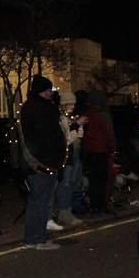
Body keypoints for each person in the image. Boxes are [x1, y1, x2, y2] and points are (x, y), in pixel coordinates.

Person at [20, 75, 67, 249]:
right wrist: (49, 161)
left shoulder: (30, 107)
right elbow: (47, 137)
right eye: (49, 90)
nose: (51, 93)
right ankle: (39, 238)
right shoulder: (41, 109)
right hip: (43, 163)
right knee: (41, 200)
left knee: (35, 200)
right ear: (43, 91)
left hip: (39, 162)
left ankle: (32, 238)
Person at [55, 91, 86, 227]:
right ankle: (64, 213)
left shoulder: (68, 117)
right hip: (66, 156)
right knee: (65, 185)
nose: (73, 107)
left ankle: (67, 212)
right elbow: (66, 138)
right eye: (71, 104)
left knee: (70, 184)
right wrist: (76, 129)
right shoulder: (61, 118)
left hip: (73, 154)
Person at [82, 90, 116, 215]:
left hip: (90, 151)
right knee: (105, 181)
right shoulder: (103, 115)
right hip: (102, 151)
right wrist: (112, 149)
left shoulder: (87, 114)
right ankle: (104, 207)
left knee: (93, 180)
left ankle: (94, 206)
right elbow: (109, 134)